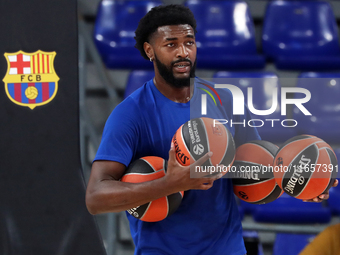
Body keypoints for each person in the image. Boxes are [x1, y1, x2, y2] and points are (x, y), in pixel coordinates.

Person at [85, 4, 338, 255]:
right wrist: (168, 184)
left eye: (189, 42)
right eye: (171, 44)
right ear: (150, 50)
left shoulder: (225, 100)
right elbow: (95, 198)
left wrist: (299, 183)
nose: (183, 52)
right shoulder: (130, 114)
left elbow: (253, 171)